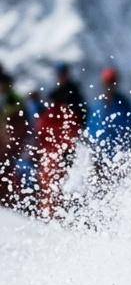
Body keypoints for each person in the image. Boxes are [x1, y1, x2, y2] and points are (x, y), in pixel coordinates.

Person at [33, 63, 86, 218]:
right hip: (54, 145)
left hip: (68, 145)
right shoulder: (56, 94)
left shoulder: (74, 94)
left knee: (68, 179)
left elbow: (79, 120)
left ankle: (67, 214)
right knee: (52, 178)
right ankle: (51, 213)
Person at [85, 67, 131, 198]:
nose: (109, 85)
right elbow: (89, 132)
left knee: (119, 194)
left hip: (120, 159)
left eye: (112, 82)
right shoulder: (96, 107)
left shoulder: (124, 105)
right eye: (107, 82)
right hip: (99, 159)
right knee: (99, 195)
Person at [0, 67, 31, 209]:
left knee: (12, 171)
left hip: (12, 142)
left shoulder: (14, 98)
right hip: (5, 142)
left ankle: (14, 201)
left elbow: (20, 116)